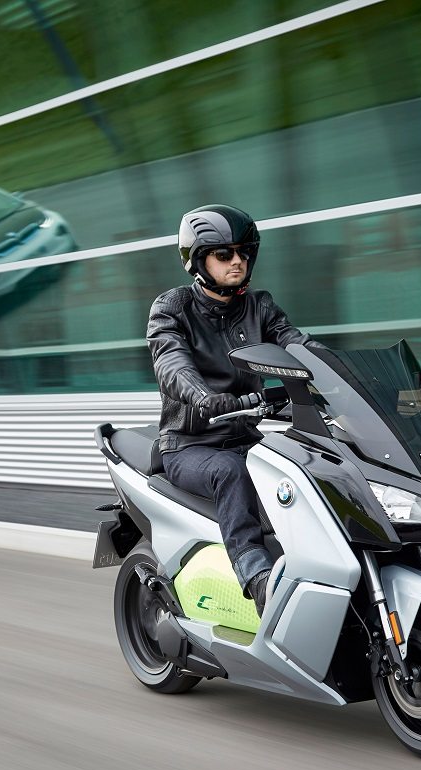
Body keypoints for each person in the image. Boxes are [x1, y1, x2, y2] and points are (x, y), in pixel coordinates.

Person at [146, 204, 319, 615]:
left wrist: (341, 376)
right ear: (198, 261)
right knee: (230, 472)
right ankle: (258, 580)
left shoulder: (259, 307)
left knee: (306, 465)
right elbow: (171, 361)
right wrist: (203, 396)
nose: (237, 261)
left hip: (246, 437)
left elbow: (297, 344)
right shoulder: (172, 308)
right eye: (224, 254)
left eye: (244, 252)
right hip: (190, 445)